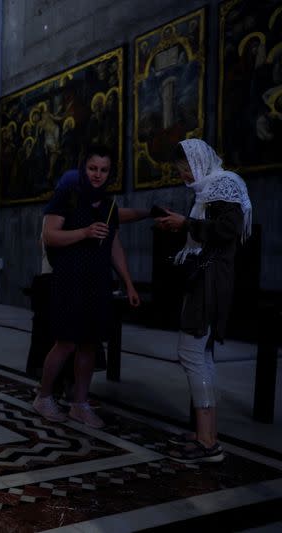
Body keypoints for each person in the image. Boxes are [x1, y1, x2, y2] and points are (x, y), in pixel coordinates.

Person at [155, 139, 252, 463]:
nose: (184, 176)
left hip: (211, 280)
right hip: (205, 277)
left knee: (192, 352)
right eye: (180, 171)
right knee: (200, 354)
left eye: (186, 170)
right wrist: (184, 223)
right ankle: (205, 434)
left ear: (199, 162)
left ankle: (208, 442)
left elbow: (229, 228)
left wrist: (186, 223)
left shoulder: (225, 184)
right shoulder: (209, 190)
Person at [32, 145, 140, 428]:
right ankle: (43, 397)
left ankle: (79, 403)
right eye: (93, 169)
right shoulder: (68, 196)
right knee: (66, 342)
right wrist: (85, 232)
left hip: (98, 281)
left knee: (90, 343)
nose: (98, 175)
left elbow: (114, 244)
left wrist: (128, 283)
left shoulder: (109, 204)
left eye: (104, 170)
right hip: (69, 278)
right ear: (83, 168)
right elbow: (50, 236)